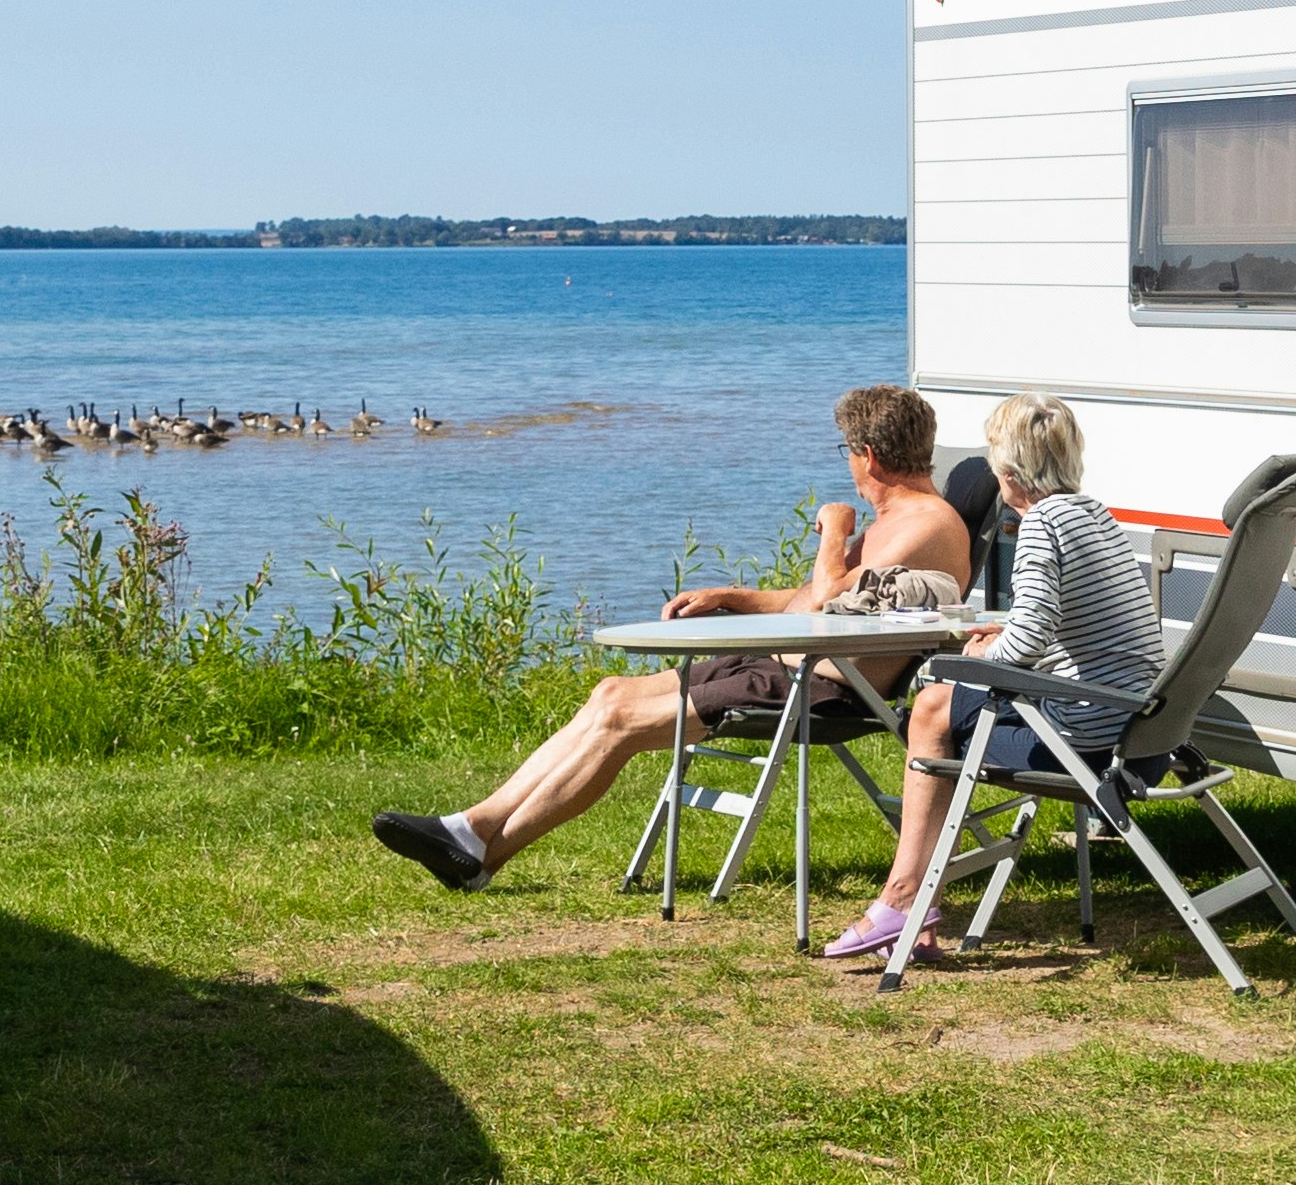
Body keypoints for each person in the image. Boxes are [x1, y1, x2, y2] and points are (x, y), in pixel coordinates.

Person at [372, 384, 971, 893]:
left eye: (846, 451)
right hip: (780, 665)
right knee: (611, 694)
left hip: (820, 688)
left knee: (623, 728)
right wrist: (732, 597)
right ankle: (469, 829)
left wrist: (834, 530)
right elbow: (805, 601)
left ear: (866, 454)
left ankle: (480, 855)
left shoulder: (924, 523)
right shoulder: (895, 522)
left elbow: (826, 595)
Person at [829, 390, 1164, 971]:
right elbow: (1066, 624)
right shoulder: (1094, 515)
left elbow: (1028, 642)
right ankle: (914, 900)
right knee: (943, 708)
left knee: (931, 707)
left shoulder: (1039, 527)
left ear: (1007, 471)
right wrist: (1002, 637)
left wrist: (981, 649)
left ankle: (905, 898)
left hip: (1085, 739)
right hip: (1139, 725)